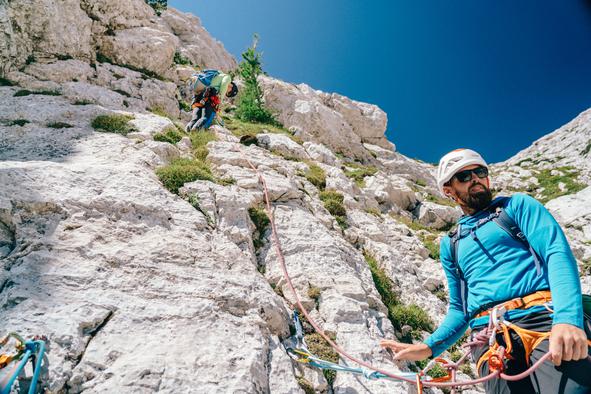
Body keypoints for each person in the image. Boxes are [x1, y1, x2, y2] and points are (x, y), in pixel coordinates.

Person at [380, 148, 591, 393]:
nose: (475, 179)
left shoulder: (516, 206)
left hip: (543, 318)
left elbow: (556, 253)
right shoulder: (452, 243)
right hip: (488, 340)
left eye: (480, 172)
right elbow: (460, 309)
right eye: (464, 176)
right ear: (448, 190)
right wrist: (429, 348)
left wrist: (567, 319)